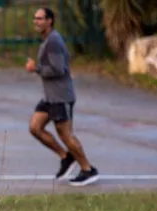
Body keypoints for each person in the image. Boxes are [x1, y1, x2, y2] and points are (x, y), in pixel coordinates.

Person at [26, 7, 99, 187]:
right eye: (35, 18)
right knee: (35, 127)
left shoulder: (53, 41)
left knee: (66, 135)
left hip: (61, 97)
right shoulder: (47, 40)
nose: (36, 21)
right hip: (50, 97)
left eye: (40, 18)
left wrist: (35, 69)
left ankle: (88, 169)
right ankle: (66, 157)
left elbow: (59, 69)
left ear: (50, 21)